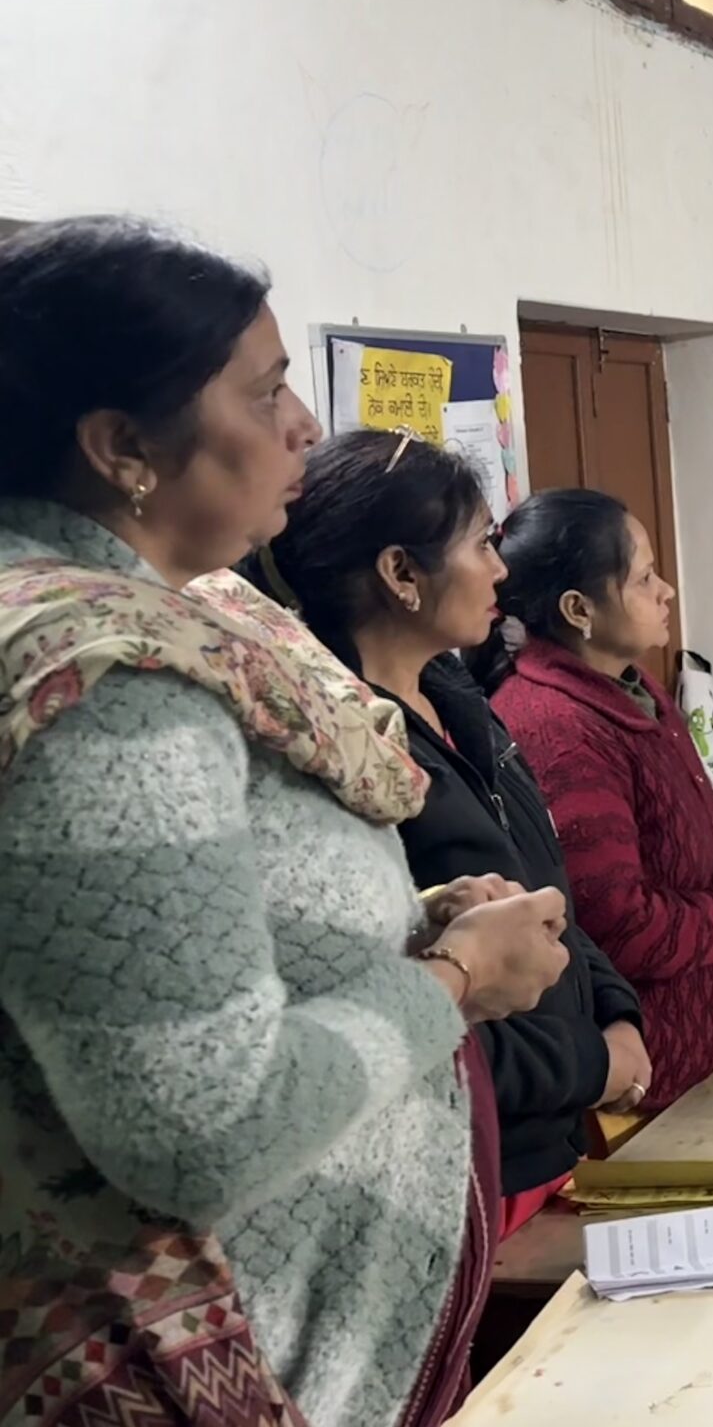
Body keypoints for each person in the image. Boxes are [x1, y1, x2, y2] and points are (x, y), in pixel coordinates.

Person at [0, 216, 567, 1425]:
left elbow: (155, 939)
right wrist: (457, 978)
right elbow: (200, 1127)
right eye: (264, 393)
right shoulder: (109, 687)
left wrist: (408, 920)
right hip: (199, 1354)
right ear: (123, 447)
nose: (304, 425)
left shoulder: (175, 620)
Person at [252, 429, 650, 1236]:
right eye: (479, 545)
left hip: (557, 1140)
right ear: (401, 573)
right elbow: (409, 1004)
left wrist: (617, 1013)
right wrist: (593, 1063)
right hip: (466, 1170)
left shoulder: (464, 703)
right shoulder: (342, 755)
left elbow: (547, 892)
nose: (500, 570)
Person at [484, 488, 713, 1108]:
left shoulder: (632, 684)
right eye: (644, 578)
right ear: (578, 608)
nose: (666, 591)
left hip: (710, 1050)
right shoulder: (556, 726)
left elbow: (699, 813)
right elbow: (622, 929)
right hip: (648, 1085)